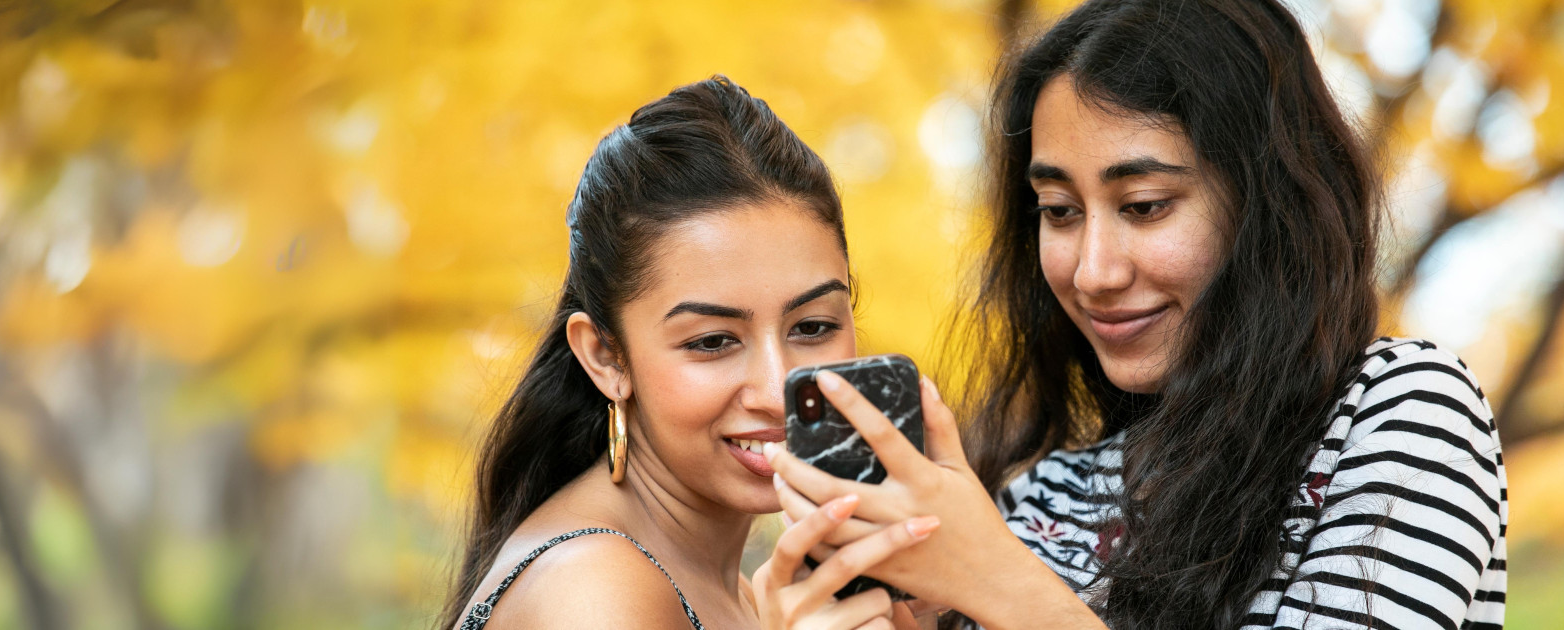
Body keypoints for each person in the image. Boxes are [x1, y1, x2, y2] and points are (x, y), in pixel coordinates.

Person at [764, 1, 1508, 628]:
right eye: (1058, 211)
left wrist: (1000, 587)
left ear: (1268, 206)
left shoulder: (1399, 411)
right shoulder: (1044, 493)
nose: (1093, 271)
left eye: (1145, 207)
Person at [441, 76, 935, 630]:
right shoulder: (594, 590)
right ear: (606, 357)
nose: (777, 393)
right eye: (712, 342)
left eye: (813, 327)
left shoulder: (744, 596)